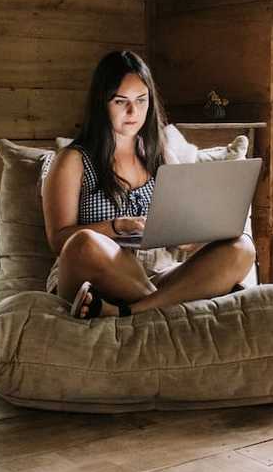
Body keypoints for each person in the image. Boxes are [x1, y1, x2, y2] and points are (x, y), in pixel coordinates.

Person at [41, 50, 255, 319]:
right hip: (96, 275)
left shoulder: (161, 155)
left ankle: (131, 310)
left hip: (157, 276)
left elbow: (184, 238)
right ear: (102, 103)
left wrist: (193, 235)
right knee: (83, 243)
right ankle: (171, 306)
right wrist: (117, 227)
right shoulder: (73, 159)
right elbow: (59, 240)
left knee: (242, 247)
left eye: (141, 101)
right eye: (121, 102)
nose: (133, 111)